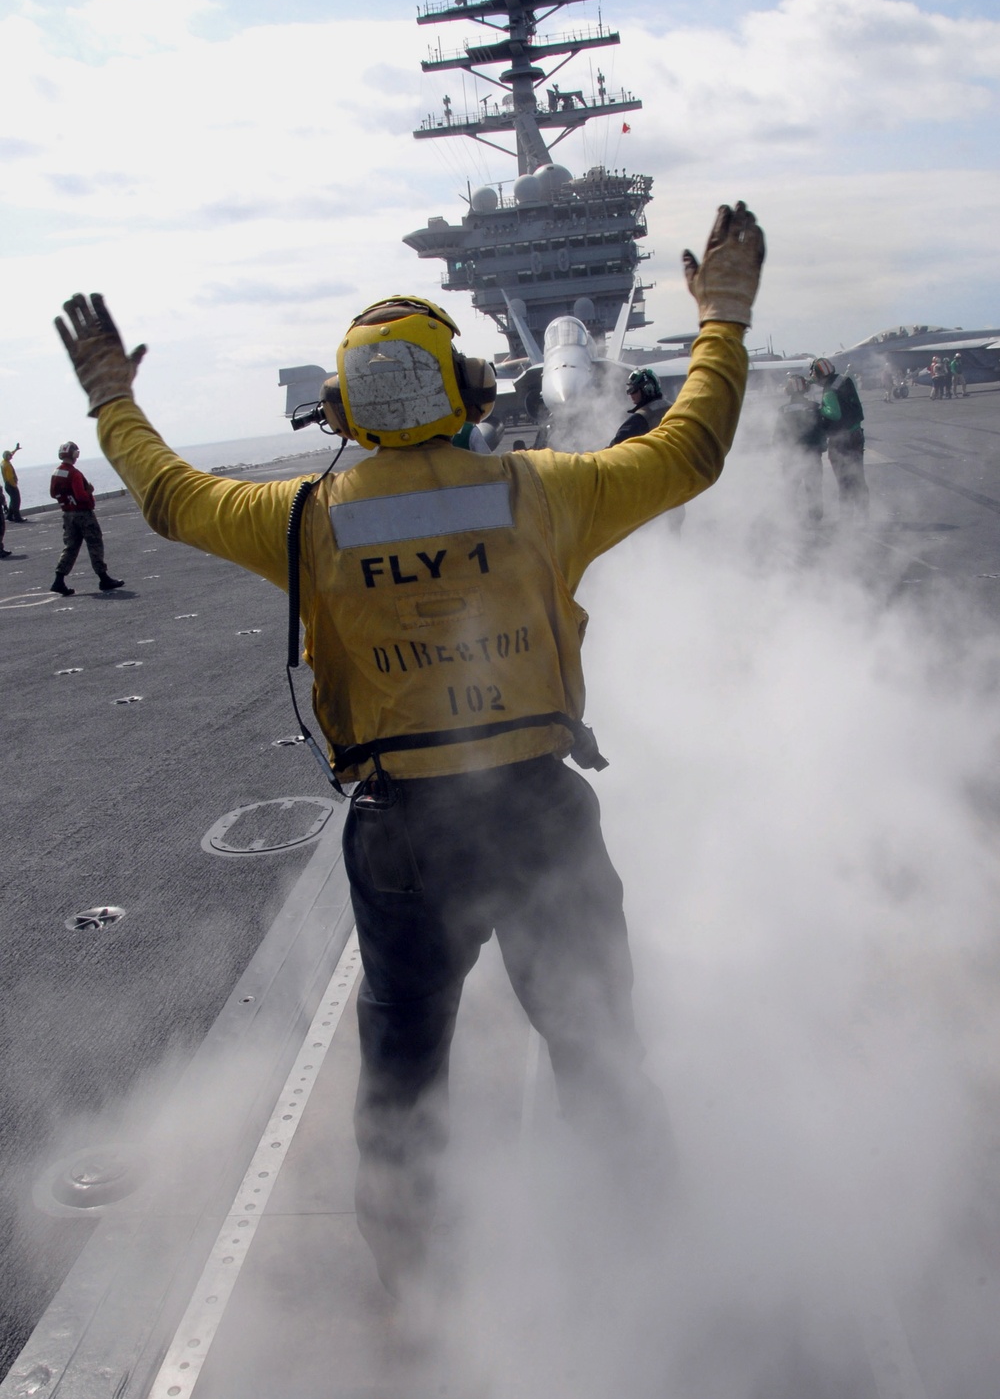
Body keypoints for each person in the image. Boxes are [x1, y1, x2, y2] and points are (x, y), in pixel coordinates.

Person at [54, 201, 765, 1293]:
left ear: (343, 410)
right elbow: (691, 449)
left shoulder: (305, 518)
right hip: (536, 812)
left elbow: (170, 496)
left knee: (401, 1071)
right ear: (468, 391)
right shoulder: (542, 491)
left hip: (403, 838)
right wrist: (722, 319)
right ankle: (648, 1248)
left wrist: (112, 398)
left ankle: (416, 1283)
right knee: (595, 1044)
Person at [607, 368, 685, 530]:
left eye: (634, 390)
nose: (631, 395)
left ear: (647, 389)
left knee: (644, 537)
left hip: (650, 492)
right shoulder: (675, 410)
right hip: (676, 488)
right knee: (673, 535)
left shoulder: (641, 419)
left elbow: (614, 449)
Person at [49, 441, 124, 595]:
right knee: (94, 543)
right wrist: (89, 491)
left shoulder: (56, 472)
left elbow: (52, 494)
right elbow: (81, 496)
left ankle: (59, 580)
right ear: (74, 454)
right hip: (83, 514)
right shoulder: (74, 473)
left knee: (70, 547)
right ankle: (103, 578)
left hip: (67, 514)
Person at [809, 358, 868, 519]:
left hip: (841, 440)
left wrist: (819, 409)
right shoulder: (844, 380)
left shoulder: (829, 391)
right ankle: (864, 516)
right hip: (856, 434)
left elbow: (834, 414)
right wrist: (809, 382)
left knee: (843, 481)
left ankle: (846, 519)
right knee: (858, 477)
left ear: (818, 374)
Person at [774, 374, 826, 524]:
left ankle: (792, 519)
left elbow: (778, 435)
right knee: (814, 487)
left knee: (791, 488)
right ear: (805, 389)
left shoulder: (783, 410)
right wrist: (821, 447)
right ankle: (816, 519)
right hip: (812, 453)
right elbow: (821, 431)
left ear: (789, 390)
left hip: (791, 455)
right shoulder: (815, 407)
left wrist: (780, 453)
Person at [2, 446, 24, 521]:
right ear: (7, 456)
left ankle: (10, 516)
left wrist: (16, 449)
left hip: (7, 485)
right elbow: (10, 477)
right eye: (10, 456)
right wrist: (14, 485)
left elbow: (10, 453)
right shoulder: (7, 465)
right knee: (16, 501)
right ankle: (17, 517)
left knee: (13, 500)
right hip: (11, 485)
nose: (11, 457)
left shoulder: (4, 462)